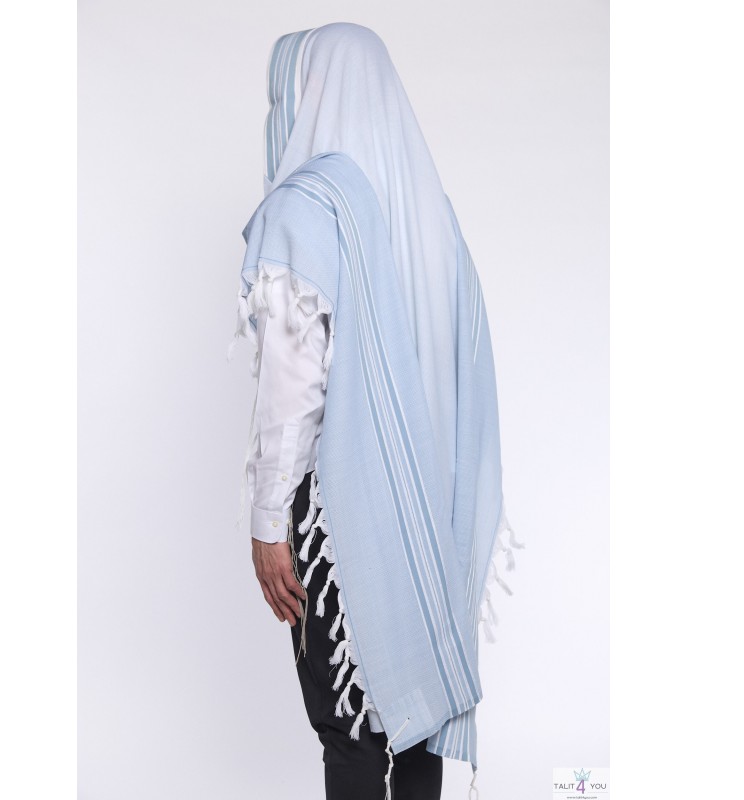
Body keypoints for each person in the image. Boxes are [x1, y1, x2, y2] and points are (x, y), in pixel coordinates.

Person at [227, 22, 524, 800]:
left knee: (349, 725)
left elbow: (292, 387)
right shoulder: (431, 213)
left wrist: (268, 522)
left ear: (308, 94)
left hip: (340, 513)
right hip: (431, 506)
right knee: (414, 715)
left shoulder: (307, 209)